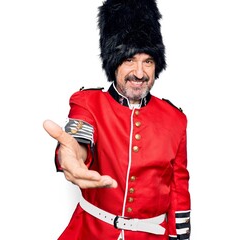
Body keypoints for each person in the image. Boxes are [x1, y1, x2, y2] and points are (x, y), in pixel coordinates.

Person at [43, 0, 191, 239]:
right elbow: (79, 140)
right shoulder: (87, 102)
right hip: (90, 232)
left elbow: (179, 190)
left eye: (148, 62)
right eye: (129, 60)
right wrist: (70, 156)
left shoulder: (176, 119)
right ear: (114, 63)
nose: (140, 73)